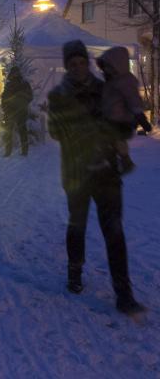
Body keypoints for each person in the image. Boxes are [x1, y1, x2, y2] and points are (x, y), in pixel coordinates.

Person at [48, 39, 144, 315]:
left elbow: (122, 130)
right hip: (76, 173)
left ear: (87, 63)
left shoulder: (106, 90)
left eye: (81, 62)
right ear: (67, 66)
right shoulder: (58, 96)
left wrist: (125, 123)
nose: (78, 67)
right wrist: (87, 129)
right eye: (72, 63)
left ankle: (124, 294)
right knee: (77, 226)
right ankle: (74, 272)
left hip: (106, 173)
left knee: (114, 231)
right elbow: (56, 132)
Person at [96, 46, 151, 174]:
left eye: (108, 67)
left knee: (116, 138)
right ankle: (108, 159)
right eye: (105, 67)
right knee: (107, 137)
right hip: (111, 117)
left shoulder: (126, 81)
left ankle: (125, 161)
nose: (106, 70)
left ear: (117, 65)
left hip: (122, 119)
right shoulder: (111, 80)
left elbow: (133, 99)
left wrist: (140, 116)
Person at [1, 66, 33, 156]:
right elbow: (29, 96)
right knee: (20, 132)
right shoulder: (22, 84)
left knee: (12, 132)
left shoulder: (12, 84)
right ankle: (21, 151)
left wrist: (6, 107)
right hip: (16, 112)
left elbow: (4, 98)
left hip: (13, 112)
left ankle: (10, 152)